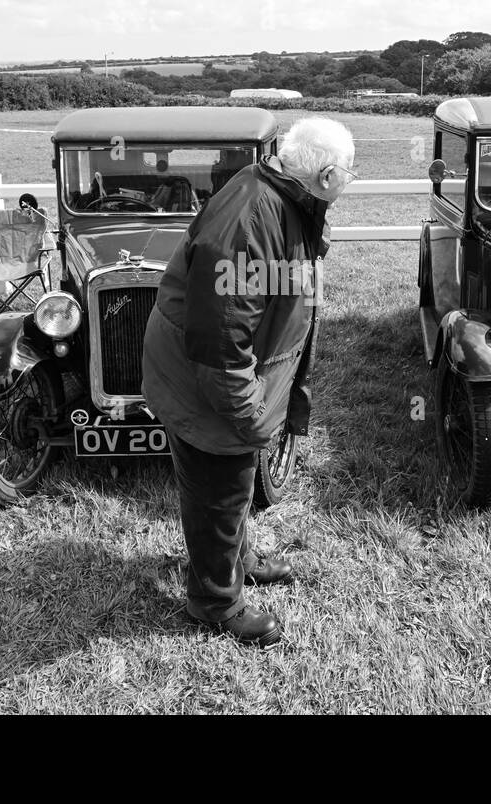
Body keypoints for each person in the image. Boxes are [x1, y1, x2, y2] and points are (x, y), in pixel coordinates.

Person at [141, 117, 356, 647]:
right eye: (350, 171)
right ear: (327, 174)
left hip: (220, 379)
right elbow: (220, 339)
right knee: (218, 492)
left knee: (231, 490)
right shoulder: (254, 218)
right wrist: (248, 412)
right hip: (210, 387)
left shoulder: (280, 192)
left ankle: (237, 558)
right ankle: (215, 601)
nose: (352, 179)